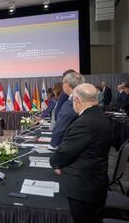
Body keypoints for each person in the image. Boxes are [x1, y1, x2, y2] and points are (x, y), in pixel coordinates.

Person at [50, 83, 111, 223]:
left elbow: (64, 153)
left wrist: (55, 163)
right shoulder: (100, 116)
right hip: (95, 181)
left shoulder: (83, 122)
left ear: (76, 100)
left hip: (83, 188)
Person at [51, 71, 85, 147]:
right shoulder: (83, 99)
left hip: (68, 144)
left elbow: (61, 127)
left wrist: (54, 143)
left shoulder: (72, 102)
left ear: (67, 85)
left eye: (63, 83)